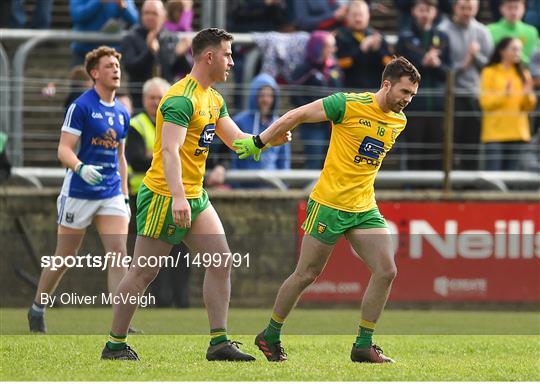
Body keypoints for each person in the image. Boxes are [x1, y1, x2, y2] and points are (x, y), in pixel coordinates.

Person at [100, 28, 290, 361]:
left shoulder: (214, 99)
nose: (232, 61)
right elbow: (170, 152)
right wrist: (177, 197)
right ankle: (114, 345)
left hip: (195, 194)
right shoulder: (179, 98)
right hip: (164, 195)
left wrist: (268, 138)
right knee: (144, 272)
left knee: (221, 260)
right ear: (209, 56)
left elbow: (237, 142)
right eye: (228, 54)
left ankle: (219, 342)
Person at [233, 56, 421, 363]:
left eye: (412, 95)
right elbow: (297, 114)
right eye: (404, 92)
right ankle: (270, 334)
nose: (407, 101)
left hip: (363, 207)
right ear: (386, 85)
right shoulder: (346, 105)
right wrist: (260, 141)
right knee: (306, 274)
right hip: (329, 205)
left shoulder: (399, 121)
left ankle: (363, 345)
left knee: (386, 270)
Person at [27, 46, 132, 333]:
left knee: (118, 253)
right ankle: (37, 307)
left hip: (110, 192)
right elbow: (63, 150)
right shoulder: (81, 107)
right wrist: (81, 167)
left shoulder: (123, 112)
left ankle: (120, 323)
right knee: (65, 256)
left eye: (117, 65)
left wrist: (123, 195)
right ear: (95, 73)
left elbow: (120, 157)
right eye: (109, 66)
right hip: (79, 192)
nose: (115, 70)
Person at [395, 0, 450, 170]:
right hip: (413, 104)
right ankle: (410, 189)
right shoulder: (404, 38)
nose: (425, 14)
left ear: (435, 12)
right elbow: (398, 69)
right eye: (422, 10)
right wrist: (423, 62)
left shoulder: (442, 38)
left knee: (435, 151)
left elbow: (448, 72)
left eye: (429, 10)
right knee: (414, 150)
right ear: (413, 11)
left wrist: (437, 64)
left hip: (438, 104)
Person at [438, 0, 493, 170]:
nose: (467, 12)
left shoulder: (482, 31)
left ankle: (470, 179)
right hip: (451, 95)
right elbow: (442, 67)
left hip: (475, 94)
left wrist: (475, 56)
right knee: (451, 139)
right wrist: (465, 62)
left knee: (473, 140)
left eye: (470, 8)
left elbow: (490, 65)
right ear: (455, 8)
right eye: (463, 8)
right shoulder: (443, 30)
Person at [121, 0, 192, 110]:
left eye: (154, 13)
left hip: (168, 101)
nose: (150, 17)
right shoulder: (131, 37)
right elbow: (131, 68)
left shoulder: (171, 37)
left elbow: (185, 70)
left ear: (164, 16)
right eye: (146, 13)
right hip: (139, 102)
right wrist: (149, 52)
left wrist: (180, 55)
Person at [479, 37, 536, 170]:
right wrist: (505, 95)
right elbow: (485, 103)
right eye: (514, 49)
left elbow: (529, 107)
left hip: (518, 133)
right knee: (494, 176)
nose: (518, 53)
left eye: (520, 50)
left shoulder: (524, 74)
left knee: (513, 178)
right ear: (502, 51)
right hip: (495, 133)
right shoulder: (489, 72)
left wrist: (528, 94)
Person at [290, 30, 343, 169]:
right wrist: (310, 112)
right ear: (318, 47)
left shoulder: (334, 68)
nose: (333, 50)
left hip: (333, 125)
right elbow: (295, 95)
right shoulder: (304, 69)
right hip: (313, 124)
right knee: (314, 162)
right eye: (329, 46)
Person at [231, 73, 291, 181]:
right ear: (254, 97)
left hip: (273, 184)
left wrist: (284, 184)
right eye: (262, 95)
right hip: (245, 183)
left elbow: (284, 160)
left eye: (270, 96)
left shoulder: (279, 124)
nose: (266, 100)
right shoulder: (239, 122)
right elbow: (233, 157)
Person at [335, 0, 393, 90]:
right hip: (349, 92)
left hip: (374, 92)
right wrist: (361, 50)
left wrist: (378, 51)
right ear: (347, 16)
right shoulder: (339, 36)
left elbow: (390, 65)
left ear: (368, 16)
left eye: (361, 15)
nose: (358, 19)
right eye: (354, 15)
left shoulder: (377, 36)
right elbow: (338, 65)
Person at [70, 0, 139, 65]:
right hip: (84, 53)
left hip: (113, 53)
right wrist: (98, 2)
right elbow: (77, 16)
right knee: (80, 77)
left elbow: (135, 20)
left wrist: (123, 7)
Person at [488, 0, 539, 65]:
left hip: (525, 73)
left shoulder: (532, 32)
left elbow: (535, 61)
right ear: (501, 9)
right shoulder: (490, 30)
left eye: (516, 8)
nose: (513, 12)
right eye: (509, 8)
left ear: (524, 9)